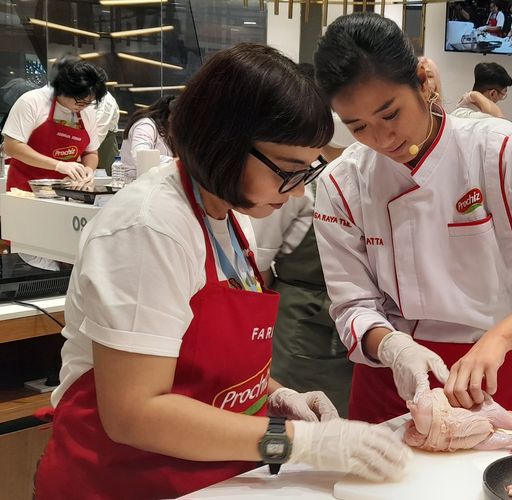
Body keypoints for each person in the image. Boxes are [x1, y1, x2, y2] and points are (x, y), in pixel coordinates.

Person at [33, 43, 410, 500]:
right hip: (122, 480)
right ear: (225, 144)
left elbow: (207, 365)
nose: (294, 195)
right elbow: (134, 413)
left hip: (205, 477)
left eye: (305, 174)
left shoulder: (230, 218)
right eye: (287, 172)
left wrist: (273, 394)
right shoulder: (150, 229)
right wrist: (297, 443)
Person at [313, 13, 512, 424]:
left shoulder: (497, 150)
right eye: (358, 127)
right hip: (392, 381)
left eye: (391, 114)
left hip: (494, 369)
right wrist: (394, 348)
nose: (382, 139)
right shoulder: (344, 182)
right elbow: (352, 304)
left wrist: (498, 340)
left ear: (424, 80)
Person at [250, 65, 354, 417]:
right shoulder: (293, 176)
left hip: (352, 328)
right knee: (296, 432)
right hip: (300, 327)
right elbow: (256, 270)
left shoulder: (364, 168)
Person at [2, 58, 106, 191]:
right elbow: (12, 147)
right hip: (26, 188)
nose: (84, 106)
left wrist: (87, 170)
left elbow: (91, 152)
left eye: (89, 102)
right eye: (80, 101)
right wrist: (58, 165)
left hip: (67, 189)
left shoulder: (87, 111)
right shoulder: (32, 102)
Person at [120, 95, 175, 179]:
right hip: (135, 181)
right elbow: (141, 155)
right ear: (168, 116)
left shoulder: (166, 133)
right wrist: (175, 162)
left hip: (153, 180)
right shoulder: (146, 124)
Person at [95, 90, 120, 174]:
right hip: (84, 139)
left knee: (111, 179)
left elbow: (100, 130)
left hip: (104, 140)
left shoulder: (105, 99)